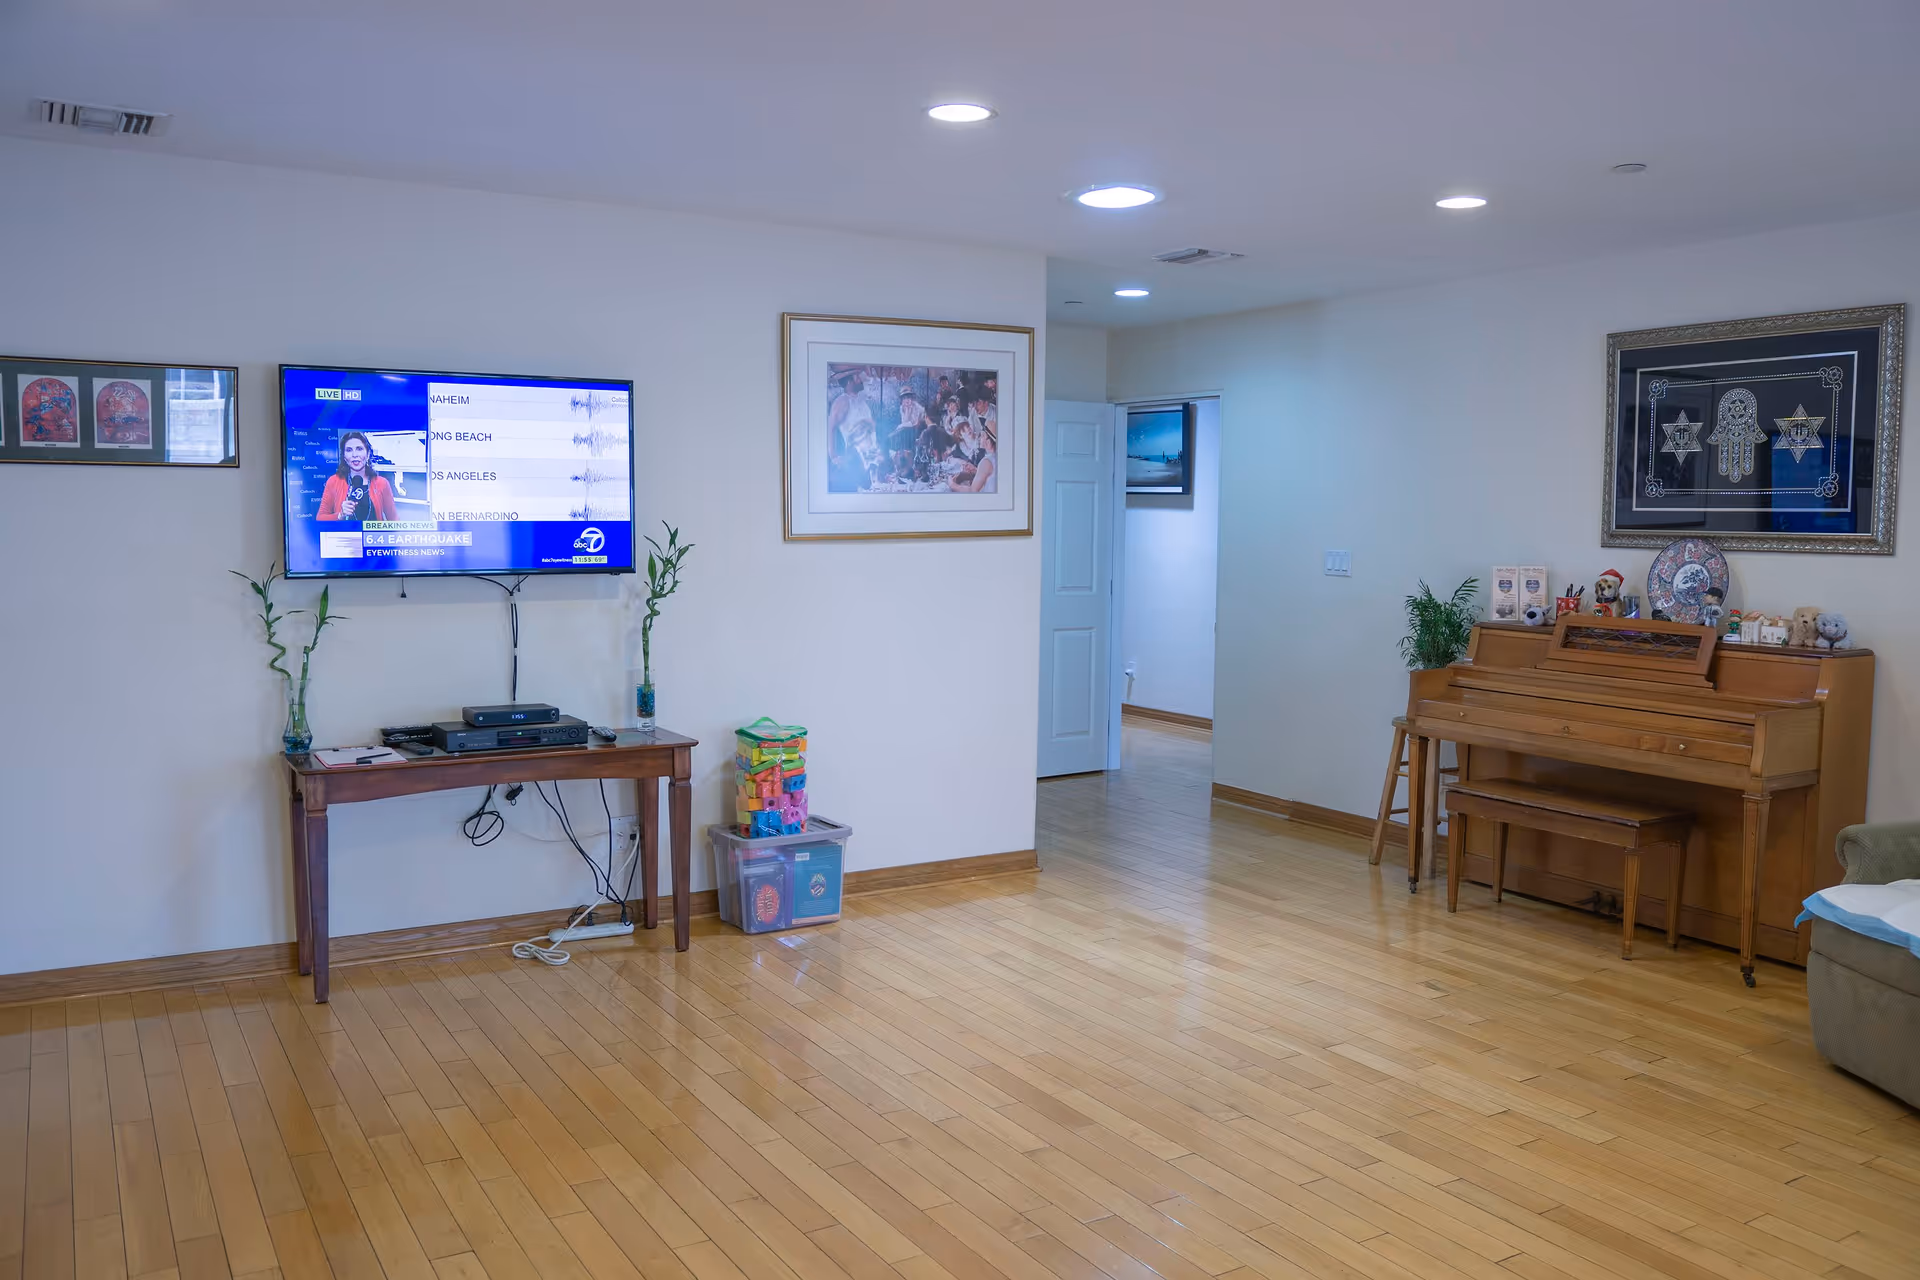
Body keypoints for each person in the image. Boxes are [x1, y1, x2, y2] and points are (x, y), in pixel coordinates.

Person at [317, 430, 397, 521]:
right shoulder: (333, 481)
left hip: (372, 535)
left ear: (368, 454)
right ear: (344, 456)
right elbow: (320, 518)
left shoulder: (382, 483)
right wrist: (340, 515)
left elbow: (394, 520)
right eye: (349, 450)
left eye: (359, 449)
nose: (354, 455)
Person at [827, 368, 879, 491]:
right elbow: (831, 427)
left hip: (870, 458)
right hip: (855, 460)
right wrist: (833, 456)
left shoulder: (861, 401)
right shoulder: (842, 401)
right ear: (850, 381)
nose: (861, 379)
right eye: (857, 377)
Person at [949, 419, 997, 493]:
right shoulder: (995, 456)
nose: (979, 437)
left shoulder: (986, 462)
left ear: (988, 441)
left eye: (982, 435)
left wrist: (952, 485)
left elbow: (972, 490)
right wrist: (975, 470)